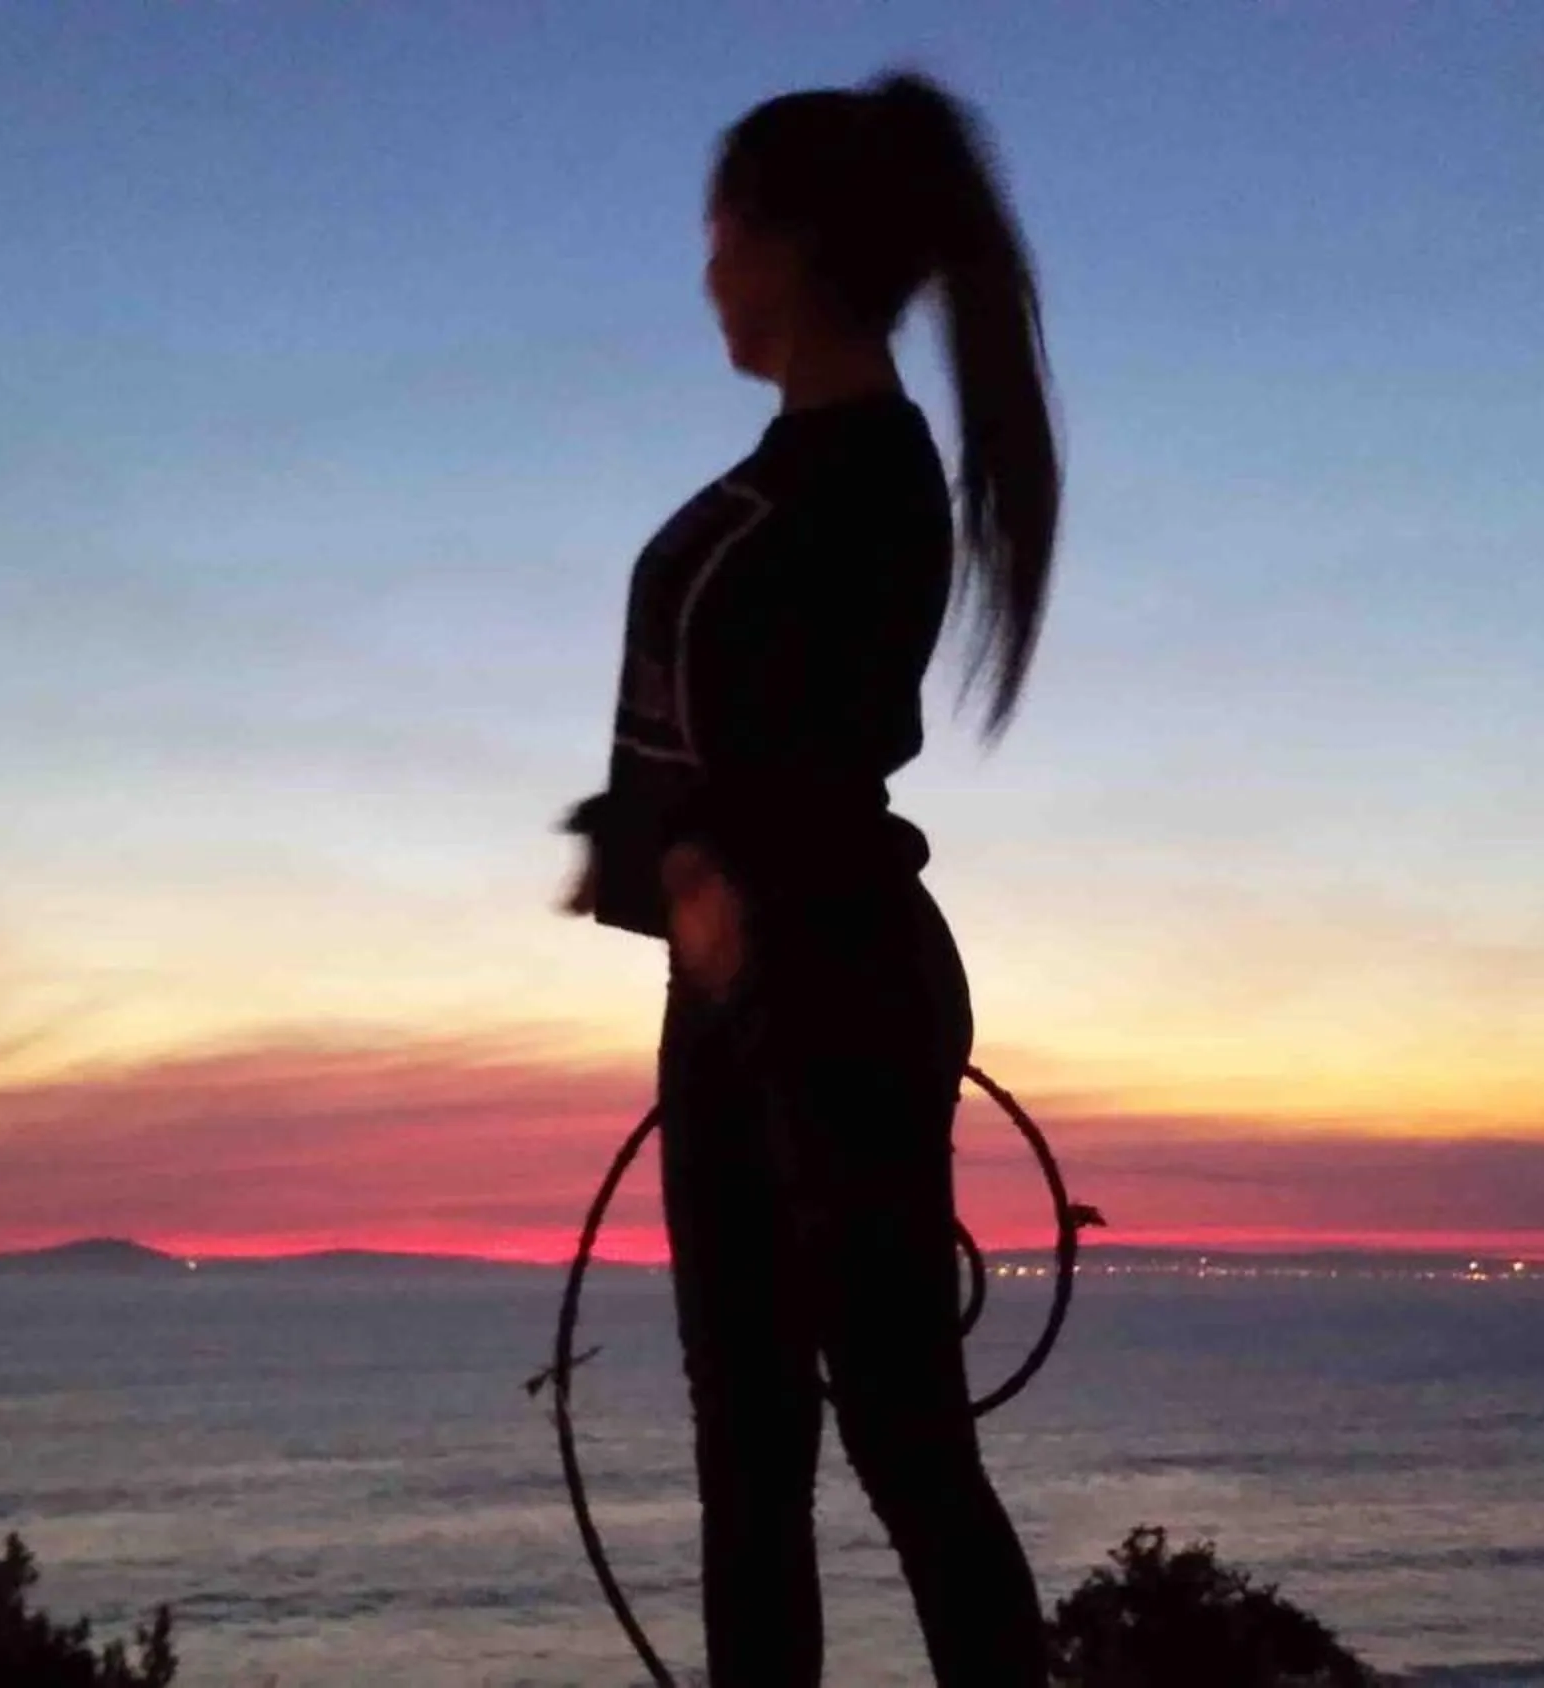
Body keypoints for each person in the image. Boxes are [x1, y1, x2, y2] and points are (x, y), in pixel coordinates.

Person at [558, 68, 1062, 1688]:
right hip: (764, 976)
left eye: (719, 234)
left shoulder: (849, 484)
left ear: (785, 245)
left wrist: (699, 876)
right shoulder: (835, 472)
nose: (706, 272)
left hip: (820, 975)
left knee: (884, 1442)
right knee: (769, 1453)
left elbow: (795, 759)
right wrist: (675, 870)